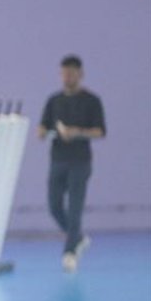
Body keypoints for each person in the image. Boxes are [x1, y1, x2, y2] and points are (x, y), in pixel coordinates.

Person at [38, 54, 105, 273]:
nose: (68, 77)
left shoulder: (92, 101)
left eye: (72, 73)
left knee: (75, 208)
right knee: (54, 205)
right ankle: (78, 237)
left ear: (80, 74)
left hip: (80, 161)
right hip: (58, 159)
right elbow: (42, 127)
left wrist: (78, 132)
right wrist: (45, 132)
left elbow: (100, 131)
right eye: (64, 73)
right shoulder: (53, 101)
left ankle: (69, 252)